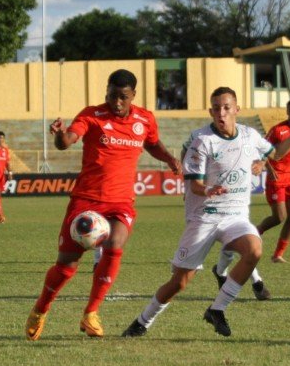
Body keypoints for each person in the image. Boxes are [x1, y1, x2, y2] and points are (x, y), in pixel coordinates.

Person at [121, 88, 290, 338]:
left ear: (236, 110)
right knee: (179, 282)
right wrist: (209, 189)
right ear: (210, 111)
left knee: (254, 250)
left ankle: (217, 309)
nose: (221, 113)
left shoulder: (249, 135)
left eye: (227, 107)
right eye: (217, 108)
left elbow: (276, 153)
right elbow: (195, 185)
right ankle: (143, 321)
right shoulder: (202, 141)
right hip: (204, 217)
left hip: (235, 217)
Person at [24, 69, 181, 341]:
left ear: (133, 95)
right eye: (111, 96)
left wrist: (169, 159)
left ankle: (91, 313)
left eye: (123, 97)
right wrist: (60, 135)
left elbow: (152, 144)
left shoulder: (145, 119)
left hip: (120, 202)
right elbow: (67, 142)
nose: (116, 102)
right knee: (67, 266)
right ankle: (41, 309)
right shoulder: (92, 115)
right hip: (86, 200)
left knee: (116, 243)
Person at [221, 98, 290, 268]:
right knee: (279, 217)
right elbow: (263, 149)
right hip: (277, 179)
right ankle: (253, 233)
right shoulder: (278, 130)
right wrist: (266, 166)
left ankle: (278, 254)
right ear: (287, 111)